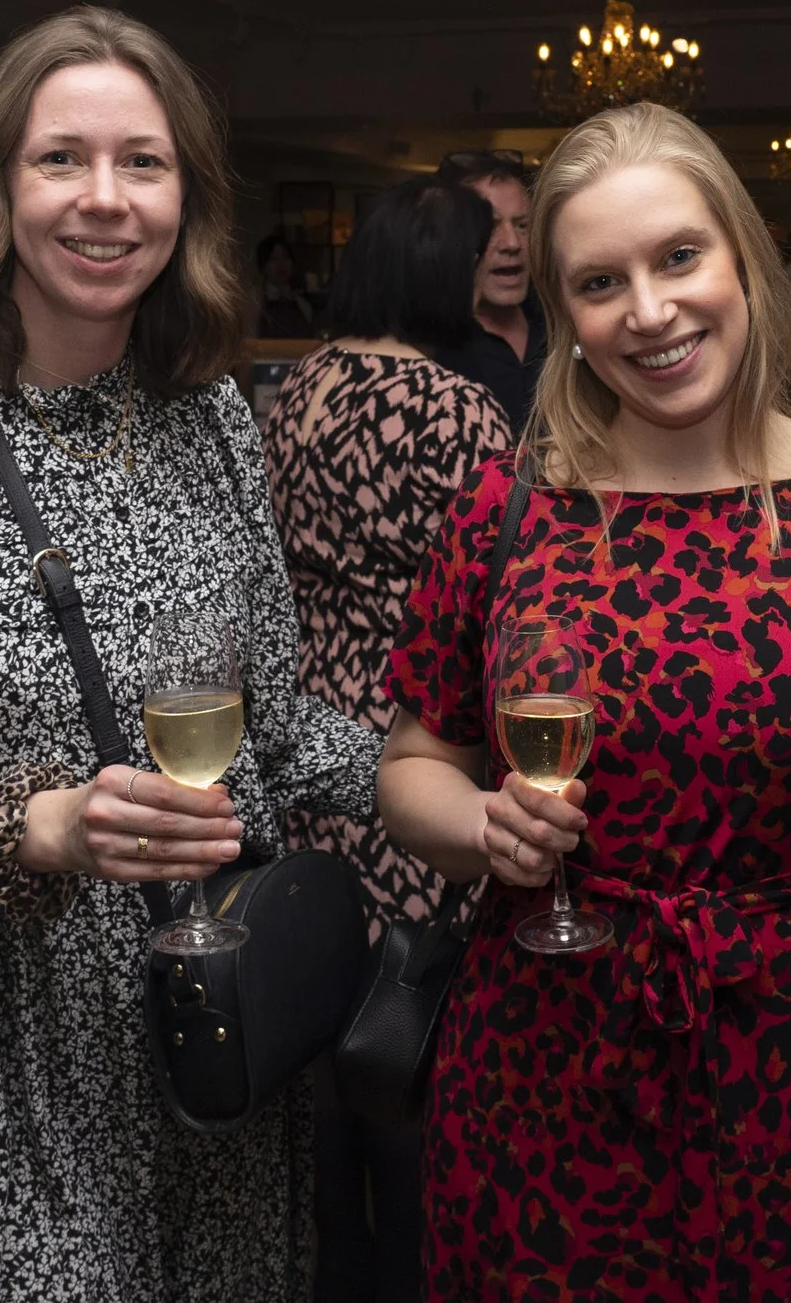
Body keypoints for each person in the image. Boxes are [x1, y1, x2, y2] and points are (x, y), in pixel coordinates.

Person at [0, 6, 381, 1302]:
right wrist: (43, 829)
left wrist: (442, 793)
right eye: (61, 159)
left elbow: (275, 724)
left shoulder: (214, 416)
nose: (104, 200)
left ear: (189, 199)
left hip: (209, 1027)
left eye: (144, 163)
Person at [378, 102, 791, 1299]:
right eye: (600, 282)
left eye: (679, 258)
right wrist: (480, 827)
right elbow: (411, 761)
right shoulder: (510, 508)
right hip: (538, 1069)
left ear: (744, 260)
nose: (649, 312)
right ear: (563, 315)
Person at [258, 173, 510, 1302]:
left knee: (314, 1015)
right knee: (411, 1030)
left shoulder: (286, 390)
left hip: (300, 725)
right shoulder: (456, 407)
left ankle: (333, 1270)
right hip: (411, 740)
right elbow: (500, 595)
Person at [430, 148, 546, 430]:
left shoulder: (563, 326)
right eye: (490, 226)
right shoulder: (428, 349)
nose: (512, 243)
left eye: (523, 225)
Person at [255, 232, 317, 338]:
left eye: (285, 257)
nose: (281, 264)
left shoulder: (303, 305)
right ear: (263, 265)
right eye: (273, 259)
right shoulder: (253, 304)